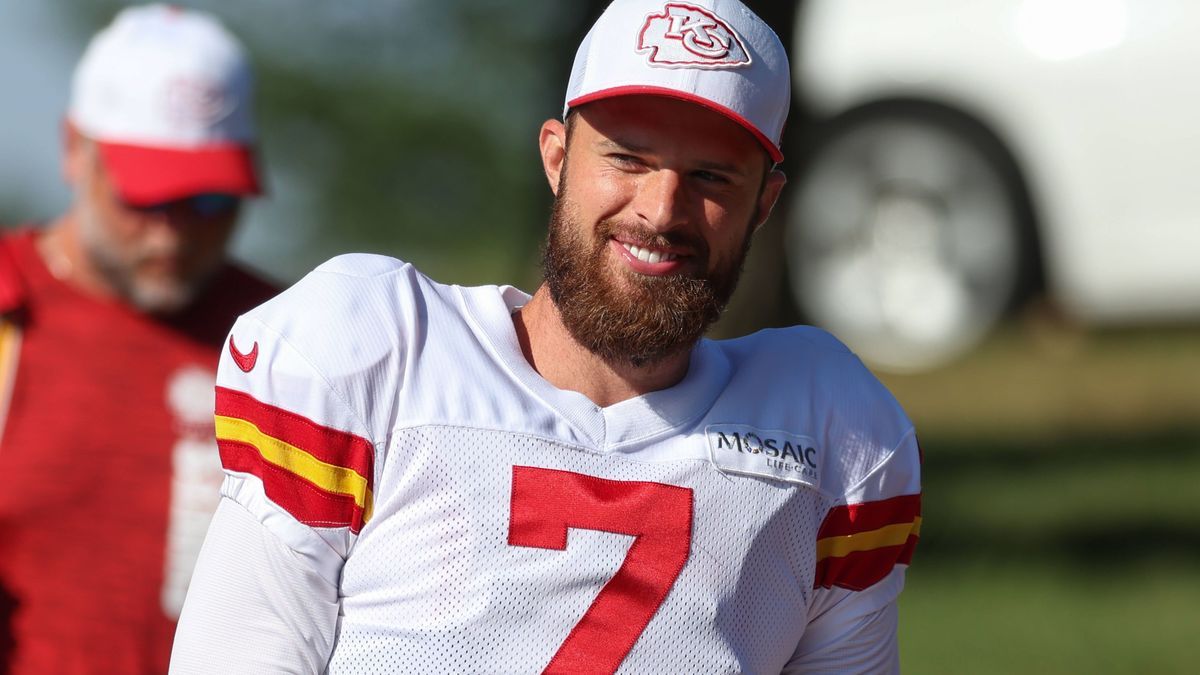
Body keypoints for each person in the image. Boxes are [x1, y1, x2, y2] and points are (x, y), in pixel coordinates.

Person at [171, 0, 921, 672]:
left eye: (712, 177)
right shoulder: (377, 357)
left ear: (765, 204)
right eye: (628, 157)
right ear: (557, 158)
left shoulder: (834, 438)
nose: (661, 210)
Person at [0, 5, 278, 673]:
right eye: (147, 197)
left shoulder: (288, 341)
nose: (174, 232)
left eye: (209, 202)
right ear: (75, 150)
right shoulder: (10, 308)